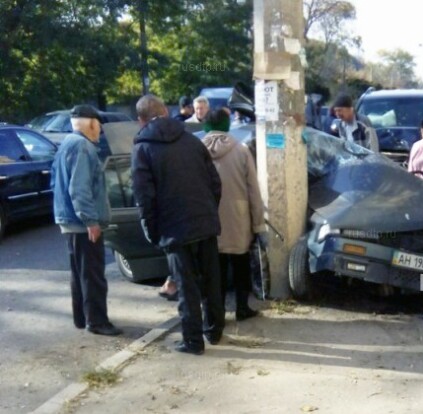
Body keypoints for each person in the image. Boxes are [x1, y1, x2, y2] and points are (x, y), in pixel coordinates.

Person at [131, 94, 225, 355]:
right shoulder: (192, 141)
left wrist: (152, 231)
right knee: (211, 281)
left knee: (186, 287)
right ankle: (215, 331)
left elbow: (144, 197)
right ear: (166, 111)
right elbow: (215, 183)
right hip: (204, 223)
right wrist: (208, 211)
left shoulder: (142, 149)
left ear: (141, 120)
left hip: (173, 229)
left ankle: (193, 341)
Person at [51, 105, 122, 336]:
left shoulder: (67, 144)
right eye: (99, 124)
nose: (100, 129)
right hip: (82, 224)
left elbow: (57, 183)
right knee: (92, 275)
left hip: (71, 222)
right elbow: (79, 188)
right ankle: (98, 322)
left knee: (80, 273)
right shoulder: (83, 146)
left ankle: (82, 318)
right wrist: (91, 221)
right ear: (91, 123)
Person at [201, 109, 267, 321]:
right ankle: (242, 308)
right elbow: (253, 191)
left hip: (209, 218)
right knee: (241, 267)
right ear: (227, 124)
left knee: (215, 270)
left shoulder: (197, 150)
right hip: (239, 218)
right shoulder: (241, 150)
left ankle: (217, 313)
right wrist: (258, 224)